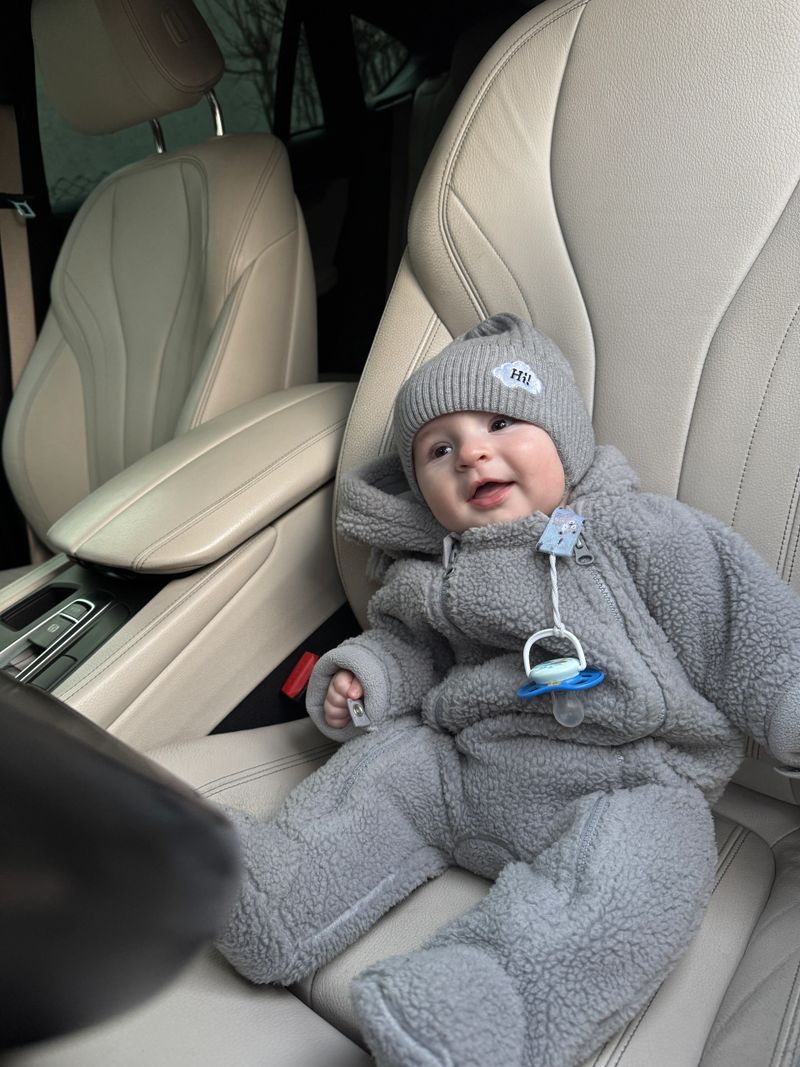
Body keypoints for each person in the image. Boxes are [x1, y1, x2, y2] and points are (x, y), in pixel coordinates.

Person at [215, 314, 800, 1067]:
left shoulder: (637, 531)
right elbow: (410, 647)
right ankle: (270, 892)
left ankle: (483, 1003)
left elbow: (737, 617)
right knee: (381, 773)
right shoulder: (434, 571)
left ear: (565, 438)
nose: (473, 452)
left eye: (501, 421)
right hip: (465, 762)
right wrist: (368, 677)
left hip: (624, 781)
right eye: (439, 448)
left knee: (634, 879)